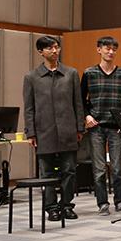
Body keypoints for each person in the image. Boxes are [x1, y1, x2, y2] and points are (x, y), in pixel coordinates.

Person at [23, 36, 85, 221]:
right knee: (47, 173)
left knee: (69, 171)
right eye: (50, 48)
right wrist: (31, 132)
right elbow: (29, 108)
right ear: (41, 52)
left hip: (68, 130)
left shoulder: (71, 73)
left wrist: (79, 128)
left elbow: (78, 103)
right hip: (44, 132)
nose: (55, 50)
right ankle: (51, 208)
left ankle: (66, 205)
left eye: (57, 47)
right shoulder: (31, 77)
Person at [81, 36, 121, 215]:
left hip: (116, 127)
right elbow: (81, 99)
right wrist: (86, 116)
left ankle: (120, 202)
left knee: (117, 168)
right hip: (96, 126)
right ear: (98, 49)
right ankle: (102, 203)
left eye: (114, 49)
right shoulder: (89, 73)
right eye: (107, 48)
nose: (110, 52)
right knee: (99, 168)